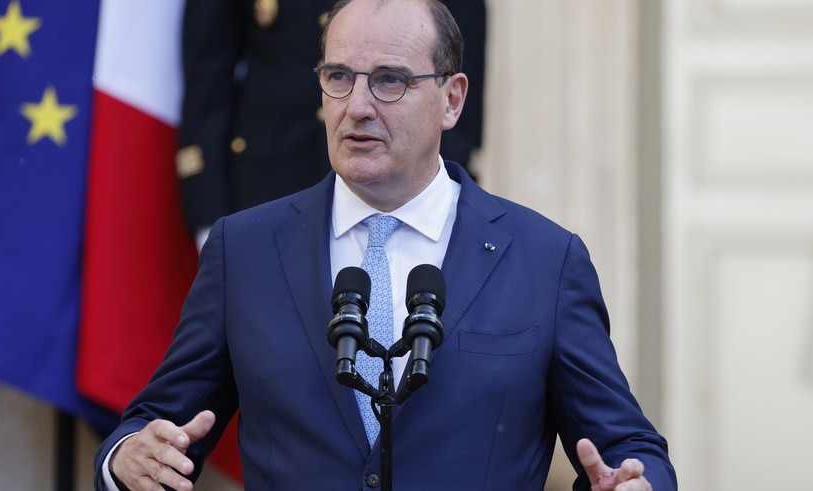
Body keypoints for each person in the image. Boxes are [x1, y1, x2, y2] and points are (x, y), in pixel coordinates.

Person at [95, 0, 677, 489]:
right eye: (339, 78)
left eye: (390, 80)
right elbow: (154, 423)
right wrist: (125, 459)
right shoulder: (243, 250)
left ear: (452, 100)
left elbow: (627, 443)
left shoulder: (545, 260)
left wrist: (636, 480)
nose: (357, 107)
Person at [176, 0, 486, 249]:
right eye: (337, 77)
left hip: (404, 197)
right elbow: (208, 77)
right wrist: (211, 217)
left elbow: (453, 76)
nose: (357, 107)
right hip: (265, 185)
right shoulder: (234, 239)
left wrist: (447, 210)